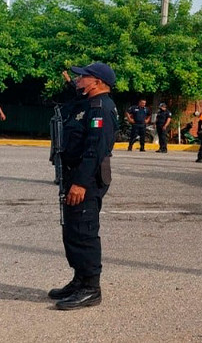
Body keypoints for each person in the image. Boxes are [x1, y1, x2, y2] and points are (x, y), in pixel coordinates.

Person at [48, 62, 118, 310]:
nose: (79, 80)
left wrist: (80, 183)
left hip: (86, 180)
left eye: (83, 77)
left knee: (84, 231)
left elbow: (94, 151)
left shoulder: (101, 110)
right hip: (74, 176)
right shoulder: (87, 103)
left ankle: (91, 288)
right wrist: (71, 86)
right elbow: (67, 105)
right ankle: (79, 279)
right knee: (72, 230)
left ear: (98, 82)